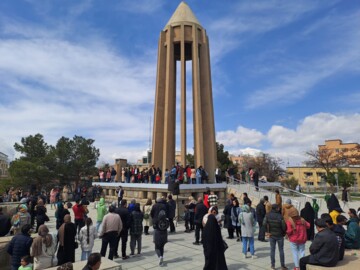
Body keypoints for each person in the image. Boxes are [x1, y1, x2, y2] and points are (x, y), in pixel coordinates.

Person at [263, 204, 287, 270]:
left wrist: (267, 231)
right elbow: (284, 227)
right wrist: (284, 232)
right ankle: (282, 265)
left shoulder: (267, 215)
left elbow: (264, 223)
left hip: (271, 235)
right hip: (279, 235)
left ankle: (272, 265)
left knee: (272, 250)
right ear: (276, 208)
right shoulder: (280, 216)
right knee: (281, 250)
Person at [151, 197, 169, 266]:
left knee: (156, 245)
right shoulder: (164, 206)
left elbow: (152, 214)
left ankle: (160, 257)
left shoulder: (154, 205)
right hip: (163, 228)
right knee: (162, 246)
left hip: (156, 227)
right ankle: (161, 256)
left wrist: (154, 219)